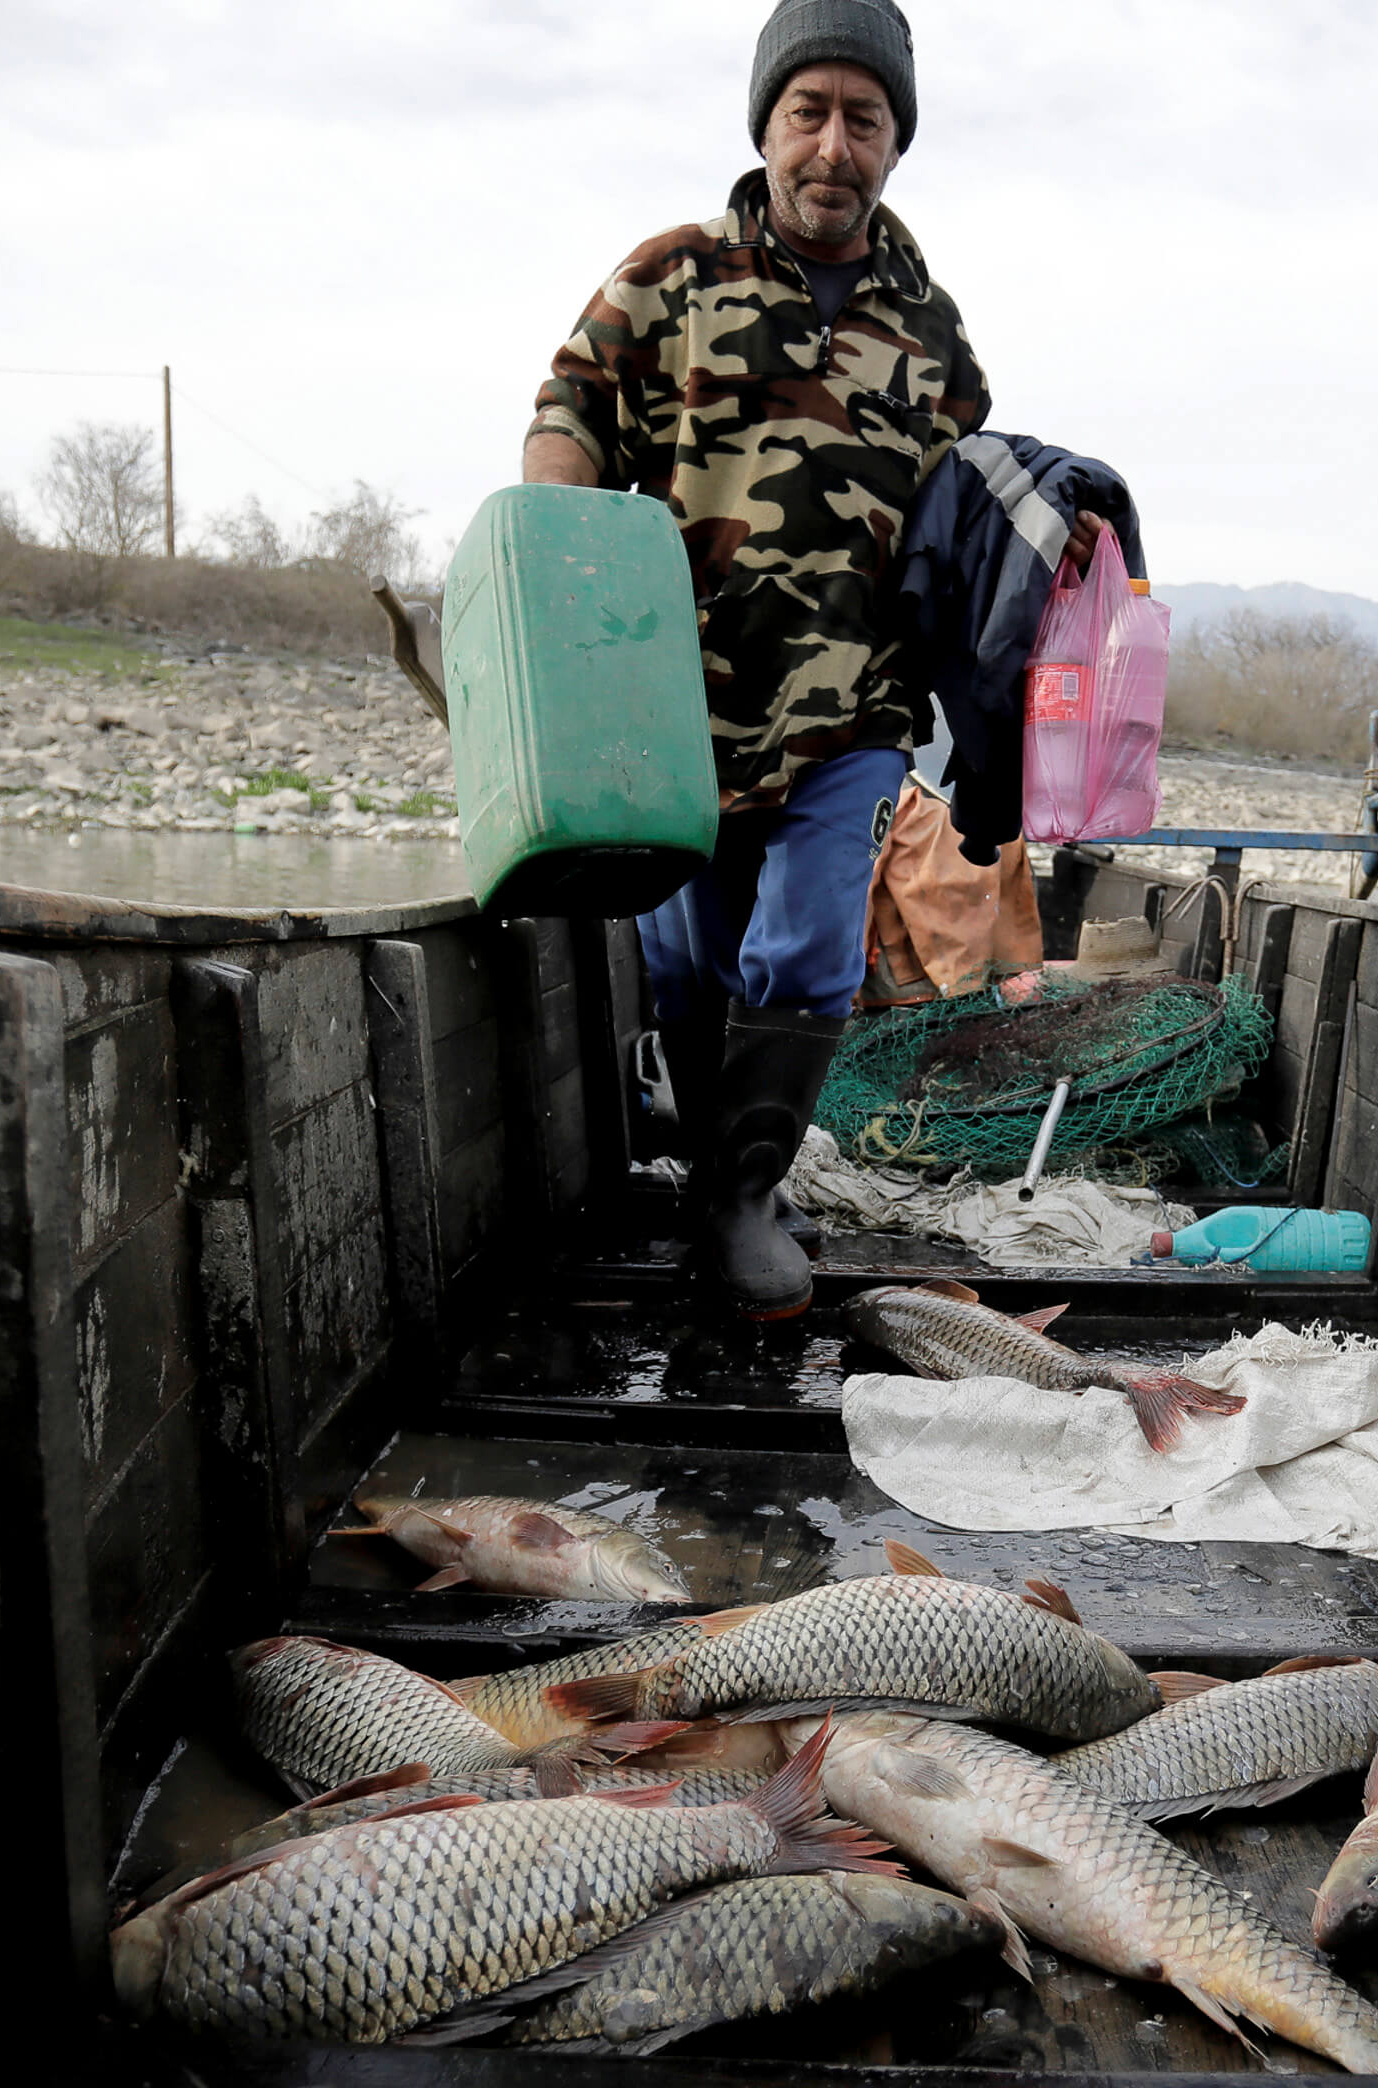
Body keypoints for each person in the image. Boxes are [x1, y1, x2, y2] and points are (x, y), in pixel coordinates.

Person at [521, 0, 982, 1320]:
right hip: (674, 702)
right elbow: (567, 414)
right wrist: (562, 589)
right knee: (685, 966)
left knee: (805, 946)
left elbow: (970, 514)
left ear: (896, 142)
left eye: (866, 120)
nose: (834, 147)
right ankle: (738, 1176)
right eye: (810, 113)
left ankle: (730, 1207)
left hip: (851, 703)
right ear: (767, 124)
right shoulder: (668, 278)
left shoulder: (934, 333)